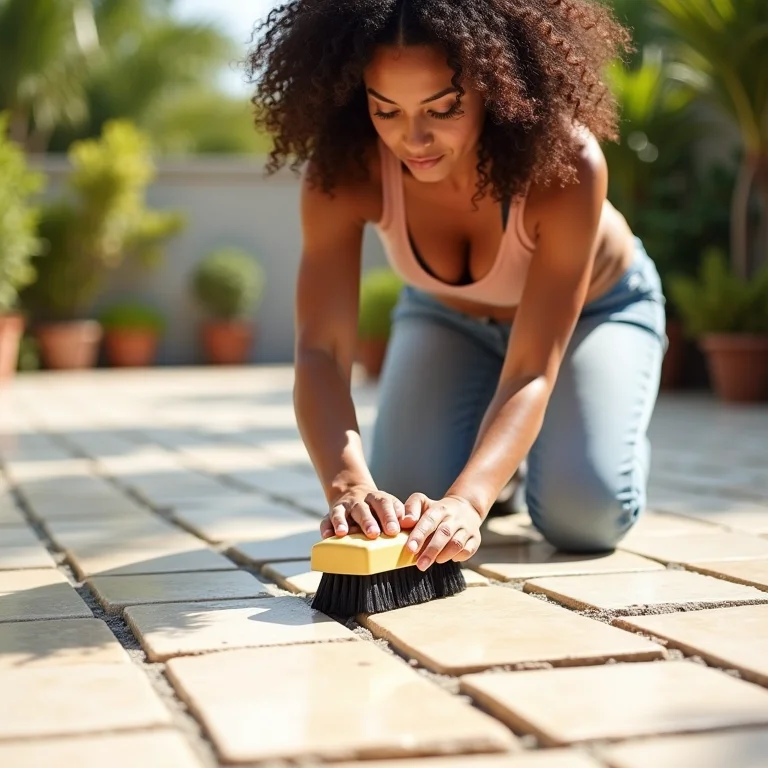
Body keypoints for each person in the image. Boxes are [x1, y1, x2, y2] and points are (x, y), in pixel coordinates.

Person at [246, 0, 667, 574]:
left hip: (595, 313)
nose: (413, 138)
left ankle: (580, 442)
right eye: (386, 110)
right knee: (402, 501)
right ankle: (505, 470)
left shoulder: (565, 164)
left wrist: (468, 501)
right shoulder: (343, 172)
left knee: (583, 518)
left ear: (494, 86)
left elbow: (531, 368)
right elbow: (321, 350)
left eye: (442, 108)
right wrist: (347, 486)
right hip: (446, 318)